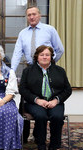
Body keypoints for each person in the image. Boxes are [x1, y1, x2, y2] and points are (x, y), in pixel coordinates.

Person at [11, 6, 64, 143]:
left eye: (34, 14)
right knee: (27, 100)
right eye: (29, 15)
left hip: (47, 68)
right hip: (30, 69)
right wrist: (11, 71)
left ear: (39, 15)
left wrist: (48, 63)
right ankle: (23, 138)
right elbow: (17, 53)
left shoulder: (49, 30)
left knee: (45, 99)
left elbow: (59, 49)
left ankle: (38, 135)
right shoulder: (23, 33)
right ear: (26, 17)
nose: (32, 17)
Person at [19, 45, 72, 150]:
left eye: (47, 55)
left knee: (57, 117)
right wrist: (37, 100)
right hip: (34, 102)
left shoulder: (60, 71)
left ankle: (53, 147)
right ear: (37, 56)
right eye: (42, 55)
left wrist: (56, 100)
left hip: (54, 102)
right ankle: (41, 147)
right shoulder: (28, 71)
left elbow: (68, 90)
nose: (44, 57)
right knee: (41, 115)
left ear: (51, 57)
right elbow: (22, 89)